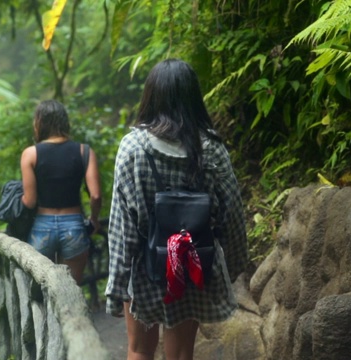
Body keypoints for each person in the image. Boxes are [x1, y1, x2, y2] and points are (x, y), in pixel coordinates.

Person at [105, 59, 249, 360]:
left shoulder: (133, 148)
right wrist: (233, 266)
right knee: (182, 353)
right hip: (192, 264)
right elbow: (232, 214)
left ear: (150, 97)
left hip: (145, 266)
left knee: (139, 350)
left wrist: (117, 287)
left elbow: (122, 227)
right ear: (193, 98)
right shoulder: (212, 148)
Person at [20, 99, 102, 284]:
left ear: (39, 122)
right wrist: (94, 220)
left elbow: (30, 201)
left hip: (42, 226)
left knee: (41, 290)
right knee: (72, 289)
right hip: (74, 225)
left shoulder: (30, 154)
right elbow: (96, 195)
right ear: (64, 121)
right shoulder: (84, 151)